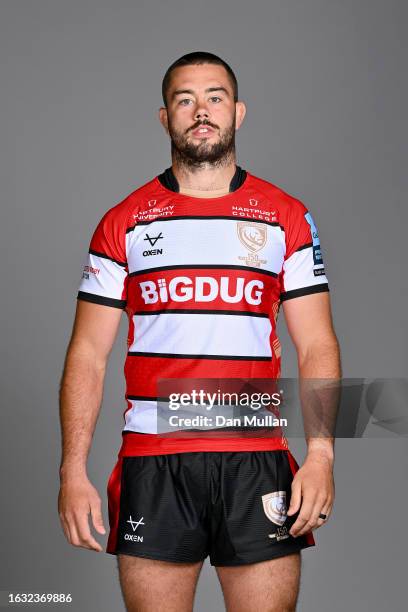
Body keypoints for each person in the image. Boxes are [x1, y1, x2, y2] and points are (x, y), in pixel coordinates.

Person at [58, 51, 341, 612]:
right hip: (154, 463)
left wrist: (322, 455)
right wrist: (72, 470)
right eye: (184, 100)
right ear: (166, 118)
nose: (201, 111)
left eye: (214, 98)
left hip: (255, 458)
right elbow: (88, 354)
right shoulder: (125, 222)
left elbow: (317, 343)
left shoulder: (286, 216)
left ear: (238, 113)